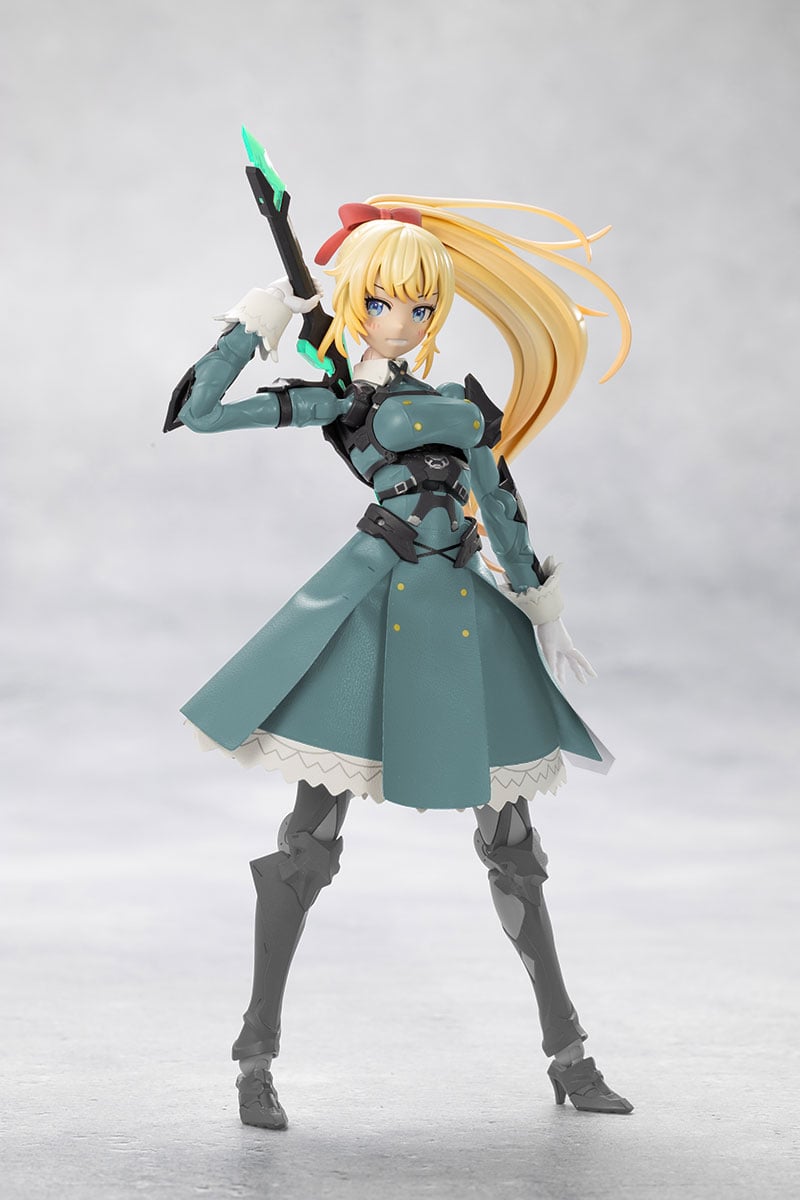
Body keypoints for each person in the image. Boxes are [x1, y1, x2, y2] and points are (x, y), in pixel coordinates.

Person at [173, 196, 634, 1128]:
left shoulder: (462, 407)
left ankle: (570, 1052)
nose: (405, 320)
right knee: (307, 845)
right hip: (371, 617)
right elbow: (200, 413)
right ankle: (255, 1056)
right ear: (356, 302)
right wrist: (259, 320)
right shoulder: (344, 400)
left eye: (422, 306)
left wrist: (543, 612)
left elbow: (502, 513)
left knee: (515, 849)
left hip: (464, 620)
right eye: (384, 302)